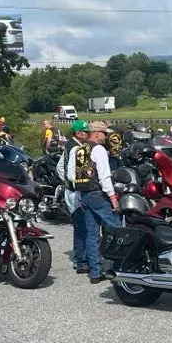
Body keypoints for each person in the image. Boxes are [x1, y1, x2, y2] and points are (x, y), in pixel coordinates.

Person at [67, 120, 122, 283]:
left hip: (84, 195)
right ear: (97, 133)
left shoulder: (79, 149)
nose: (106, 137)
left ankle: (95, 272)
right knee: (118, 230)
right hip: (98, 194)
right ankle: (119, 267)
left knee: (92, 234)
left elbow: (73, 176)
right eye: (104, 133)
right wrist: (113, 199)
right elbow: (104, 177)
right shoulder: (98, 149)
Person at [60, 120, 90, 274]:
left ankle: (82, 258)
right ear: (79, 133)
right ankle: (81, 260)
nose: (88, 134)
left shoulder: (69, 145)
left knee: (80, 226)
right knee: (82, 227)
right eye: (86, 131)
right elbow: (73, 174)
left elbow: (60, 167)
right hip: (76, 192)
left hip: (71, 190)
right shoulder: (77, 148)